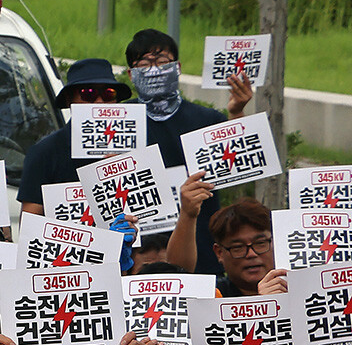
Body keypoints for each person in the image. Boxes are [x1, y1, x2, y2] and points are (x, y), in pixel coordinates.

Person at [125, 28, 252, 276]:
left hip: (202, 248)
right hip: (137, 257)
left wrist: (236, 113)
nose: (154, 71)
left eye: (162, 63)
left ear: (178, 67)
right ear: (131, 74)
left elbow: (241, 168)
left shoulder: (208, 120)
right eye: (143, 65)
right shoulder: (119, 122)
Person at [16, 58, 133, 216]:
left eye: (108, 94)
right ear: (70, 100)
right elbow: (30, 226)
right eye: (88, 94)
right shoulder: (43, 153)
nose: (99, 103)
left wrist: (121, 169)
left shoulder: (134, 151)